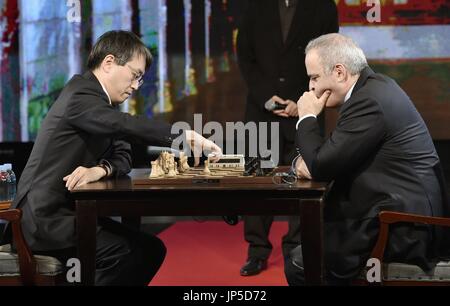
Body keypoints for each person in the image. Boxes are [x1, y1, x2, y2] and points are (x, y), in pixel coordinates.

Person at [3, 30, 222, 286]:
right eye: (135, 75)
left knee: (149, 249)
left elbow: (123, 155)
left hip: (67, 216)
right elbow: (127, 126)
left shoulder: (101, 104)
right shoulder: (80, 96)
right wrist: (185, 136)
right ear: (109, 63)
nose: (136, 86)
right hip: (43, 221)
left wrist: (101, 169)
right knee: (134, 252)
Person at [285, 33, 450, 285]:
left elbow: (320, 165)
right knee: (307, 247)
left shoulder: (368, 101)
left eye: (314, 78)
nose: (311, 88)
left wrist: (307, 117)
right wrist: (310, 162)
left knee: (301, 261)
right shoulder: (372, 89)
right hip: (396, 212)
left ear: (339, 72)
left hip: (404, 228)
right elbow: (328, 156)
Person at [236, 0, 338, 276]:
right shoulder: (253, 7)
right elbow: (245, 56)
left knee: (303, 182)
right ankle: (256, 251)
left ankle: (297, 252)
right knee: (257, 183)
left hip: (305, 107)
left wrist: (303, 100)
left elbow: (330, 58)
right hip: (261, 109)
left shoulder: (324, 7)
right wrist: (265, 96)